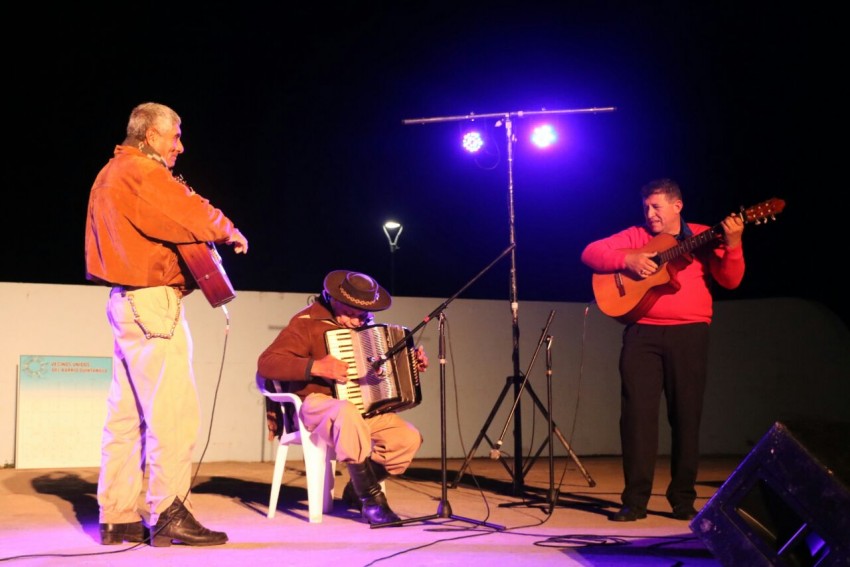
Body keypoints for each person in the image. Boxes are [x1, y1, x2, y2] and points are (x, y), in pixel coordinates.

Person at [85, 102, 249, 546]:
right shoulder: (141, 170)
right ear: (151, 136)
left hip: (125, 300)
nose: (180, 145)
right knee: (172, 412)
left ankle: (116, 516)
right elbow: (187, 210)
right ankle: (170, 510)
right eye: (175, 135)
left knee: (126, 417)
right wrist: (227, 227)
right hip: (153, 303)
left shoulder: (109, 173)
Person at [580, 178, 745, 522]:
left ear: (677, 206)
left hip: (690, 333)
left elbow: (731, 280)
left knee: (686, 416)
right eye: (646, 207)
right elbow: (591, 252)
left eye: (657, 207)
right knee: (636, 418)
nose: (650, 214)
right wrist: (629, 260)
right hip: (642, 334)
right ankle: (635, 501)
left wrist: (734, 243)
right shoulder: (637, 236)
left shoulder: (703, 234)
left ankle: (682, 498)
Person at [257, 270, 428, 525]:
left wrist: (410, 364)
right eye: (351, 312)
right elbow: (267, 363)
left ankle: (355, 488)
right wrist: (315, 367)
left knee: (407, 438)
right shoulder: (305, 323)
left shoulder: (369, 329)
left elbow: (382, 372)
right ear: (332, 298)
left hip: (363, 411)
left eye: (362, 314)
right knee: (346, 411)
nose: (357, 320)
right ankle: (371, 500)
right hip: (316, 405)